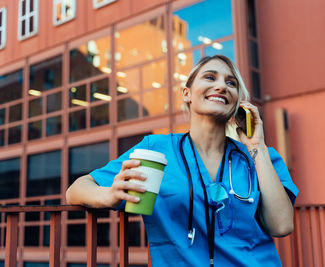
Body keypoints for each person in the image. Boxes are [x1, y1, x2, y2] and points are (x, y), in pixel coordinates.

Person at [66, 55, 298, 266]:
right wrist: (109, 196)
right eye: (210, 77)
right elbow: (77, 189)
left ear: (238, 103)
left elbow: (281, 225)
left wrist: (257, 145)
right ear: (187, 93)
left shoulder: (260, 156)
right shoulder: (156, 150)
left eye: (231, 83)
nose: (221, 86)